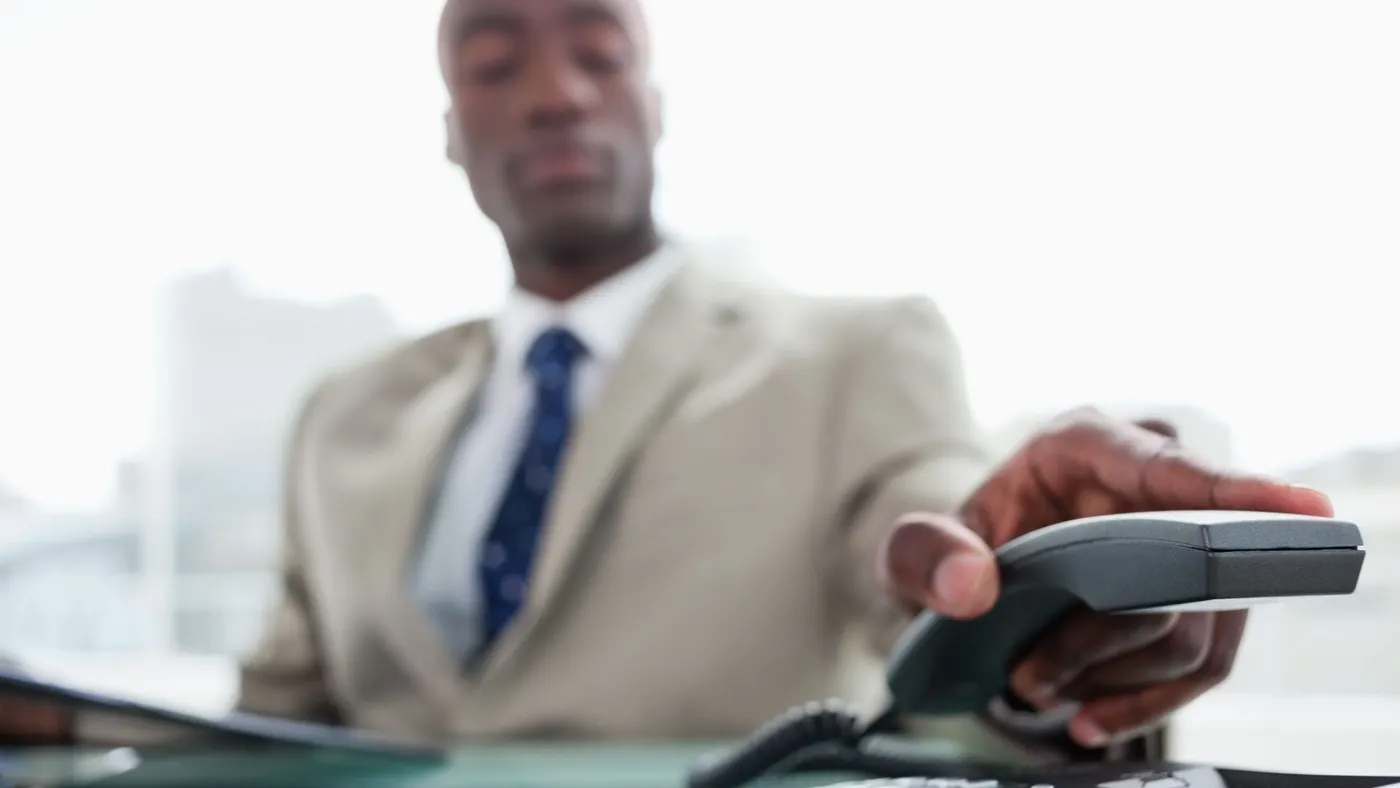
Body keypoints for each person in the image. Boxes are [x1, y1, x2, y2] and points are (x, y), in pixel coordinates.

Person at [0, 0, 1335, 762]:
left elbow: (935, 548)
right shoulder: (344, 414)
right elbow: (271, 728)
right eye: (493, 59)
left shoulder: (854, 351)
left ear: (655, 104)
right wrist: (66, 730)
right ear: (451, 135)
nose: (555, 92)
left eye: (598, 49)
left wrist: (1028, 606)